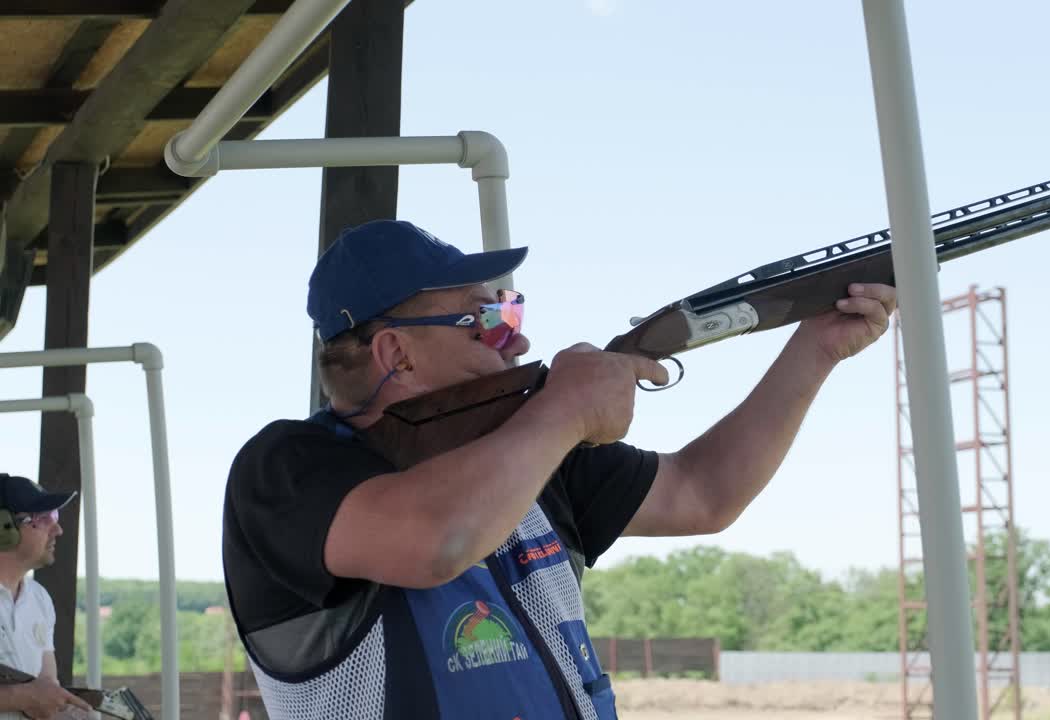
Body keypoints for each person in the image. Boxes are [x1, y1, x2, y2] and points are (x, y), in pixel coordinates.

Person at [221, 219, 896, 720]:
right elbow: (435, 539)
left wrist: (817, 350)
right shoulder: (286, 469)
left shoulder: (534, 453)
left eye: (509, 310)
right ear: (397, 354)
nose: (515, 336)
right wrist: (567, 409)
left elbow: (705, 492)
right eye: (486, 317)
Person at [0, 474, 92, 720]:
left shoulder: (39, 599)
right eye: (45, 518)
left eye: (56, 517)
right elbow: (35, 695)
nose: (58, 529)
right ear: (4, 527)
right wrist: (23, 697)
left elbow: (47, 687)